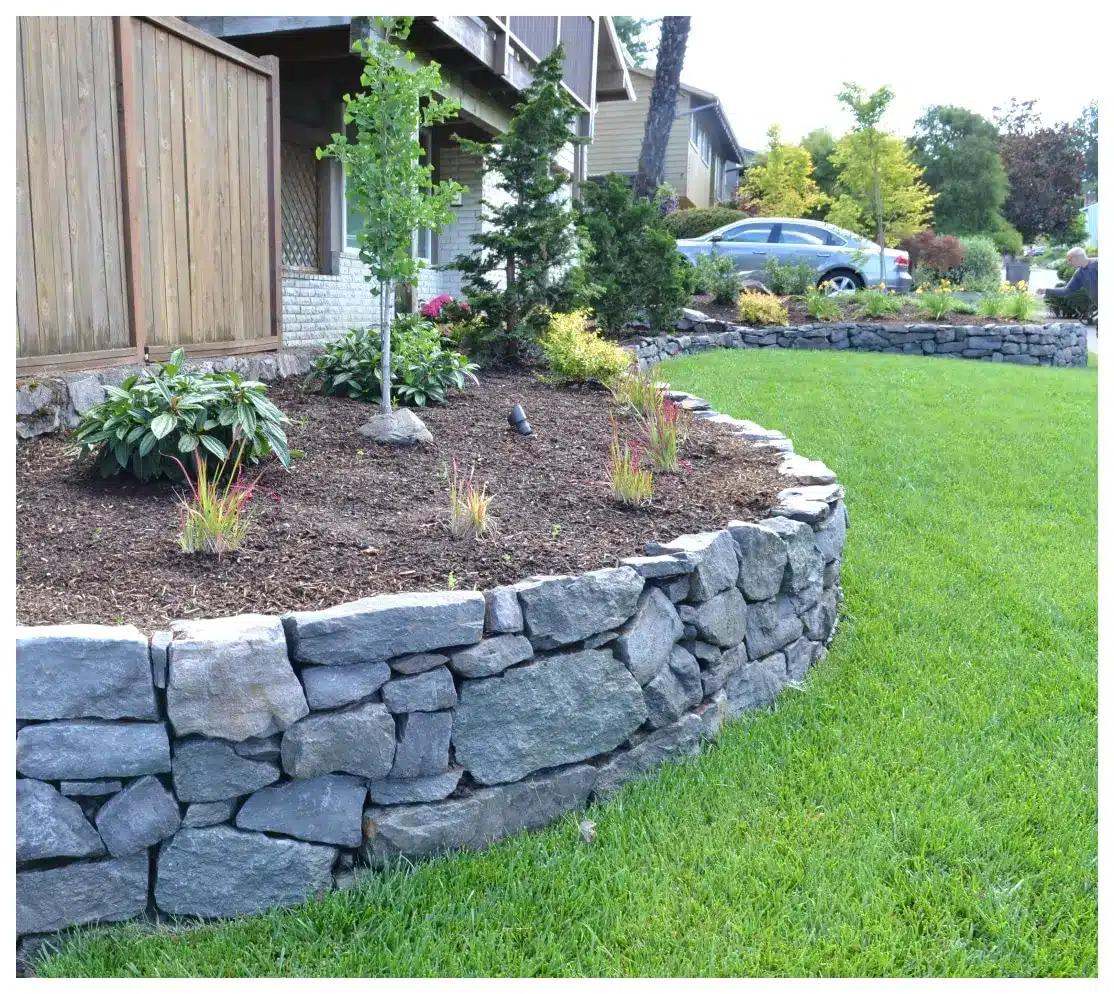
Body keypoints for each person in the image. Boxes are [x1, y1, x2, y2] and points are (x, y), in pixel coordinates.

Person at [1040, 247, 1098, 311]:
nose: (1069, 263)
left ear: (1078, 257)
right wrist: (1045, 291)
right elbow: (1066, 290)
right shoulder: (1079, 273)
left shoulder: (1097, 263)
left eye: (1069, 260)